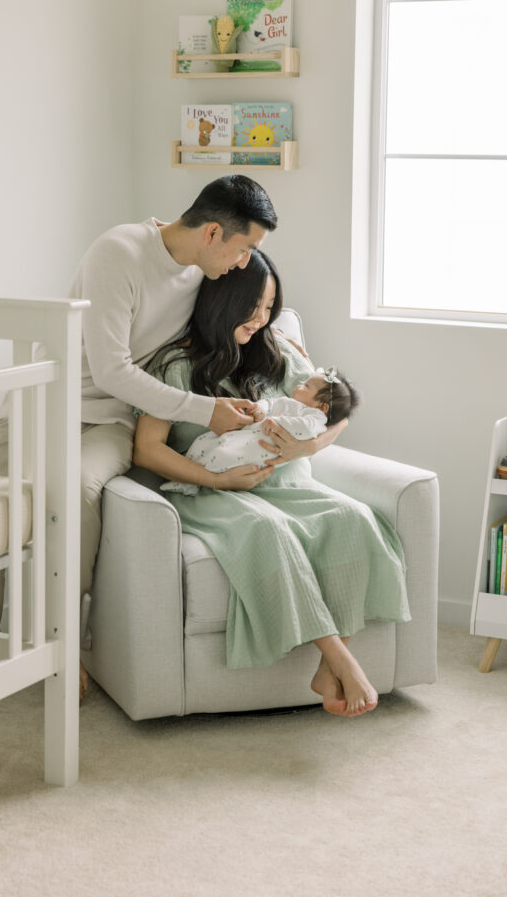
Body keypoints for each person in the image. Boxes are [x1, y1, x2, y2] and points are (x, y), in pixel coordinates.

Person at [69, 175, 343, 697]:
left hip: (116, 418)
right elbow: (109, 370)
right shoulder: (120, 253)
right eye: (246, 249)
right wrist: (204, 410)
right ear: (214, 232)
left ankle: (63, 644)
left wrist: (266, 328)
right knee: (8, 511)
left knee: (81, 489)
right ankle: (32, 637)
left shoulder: (204, 271)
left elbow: (238, 320)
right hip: (67, 400)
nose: (245, 263)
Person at [133, 250, 411, 718]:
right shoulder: (175, 363)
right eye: (253, 307)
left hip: (287, 486)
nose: (262, 318)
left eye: (269, 307)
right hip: (211, 489)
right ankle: (341, 657)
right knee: (269, 532)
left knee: (356, 517)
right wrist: (216, 479)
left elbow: (338, 411)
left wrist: (309, 448)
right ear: (222, 300)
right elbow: (146, 450)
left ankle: (327, 667)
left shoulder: (277, 351)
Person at [160, 367, 359, 495]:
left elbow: (312, 427)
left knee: (228, 454)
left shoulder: (316, 418)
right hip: (249, 436)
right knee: (211, 443)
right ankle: (190, 479)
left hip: (261, 452)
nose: (299, 385)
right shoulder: (289, 403)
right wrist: (260, 409)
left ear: (322, 407)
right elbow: (270, 404)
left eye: (305, 386)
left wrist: (307, 443)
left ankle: (193, 482)